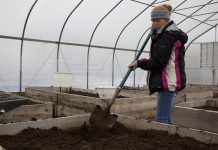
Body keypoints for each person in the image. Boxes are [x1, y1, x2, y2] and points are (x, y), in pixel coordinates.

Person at [128, 4, 188, 124]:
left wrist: (139, 63)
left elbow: (158, 62)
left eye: (158, 20)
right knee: (166, 119)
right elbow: (160, 58)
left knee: (161, 121)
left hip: (167, 82)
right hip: (171, 81)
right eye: (153, 21)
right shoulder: (171, 33)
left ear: (166, 19)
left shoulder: (167, 36)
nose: (155, 23)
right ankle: (170, 140)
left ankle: (166, 141)